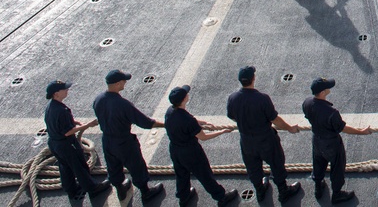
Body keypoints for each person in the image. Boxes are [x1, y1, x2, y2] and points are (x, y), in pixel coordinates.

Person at [226, 66, 302, 203]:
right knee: (276, 164)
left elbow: (231, 116)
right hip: (266, 139)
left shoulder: (232, 98)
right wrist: (290, 128)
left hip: (246, 141)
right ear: (253, 78)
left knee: (253, 167)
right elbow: (275, 119)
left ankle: (260, 191)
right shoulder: (262, 99)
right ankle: (283, 192)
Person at [92, 69, 165, 202]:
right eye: (123, 81)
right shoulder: (122, 104)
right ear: (118, 83)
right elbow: (145, 122)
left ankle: (120, 189)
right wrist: (165, 125)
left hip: (107, 140)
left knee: (113, 166)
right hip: (124, 142)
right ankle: (145, 192)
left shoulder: (98, 99)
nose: (125, 83)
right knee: (136, 166)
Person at [165, 85, 239, 207]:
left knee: (181, 175)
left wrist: (201, 123)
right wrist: (222, 131)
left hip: (175, 149)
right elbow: (203, 137)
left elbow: (186, 121)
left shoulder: (170, 111)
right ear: (184, 99)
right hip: (191, 153)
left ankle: (183, 198)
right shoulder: (188, 120)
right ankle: (221, 197)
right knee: (205, 175)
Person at [302, 77, 372, 203]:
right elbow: (343, 128)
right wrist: (361, 132)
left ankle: (318, 187)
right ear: (323, 92)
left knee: (318, 162)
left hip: (317, 139)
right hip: (331, 144)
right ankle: (337, 194)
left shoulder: (307, 103)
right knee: (337, 167)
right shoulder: (331, 112)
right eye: (327, 87)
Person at [44, 80, 111, 201]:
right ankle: (93, 189)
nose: (67, 90)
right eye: (64, 89)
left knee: (65, 167)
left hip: (54, 144)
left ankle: (71, 189)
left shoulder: (51, 107)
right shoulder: (61, 110)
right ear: (56, 94)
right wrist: (87, 125)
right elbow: (67, 132)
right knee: (79, 166)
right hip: (66, 144)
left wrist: (75, 122)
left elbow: (58, 123)